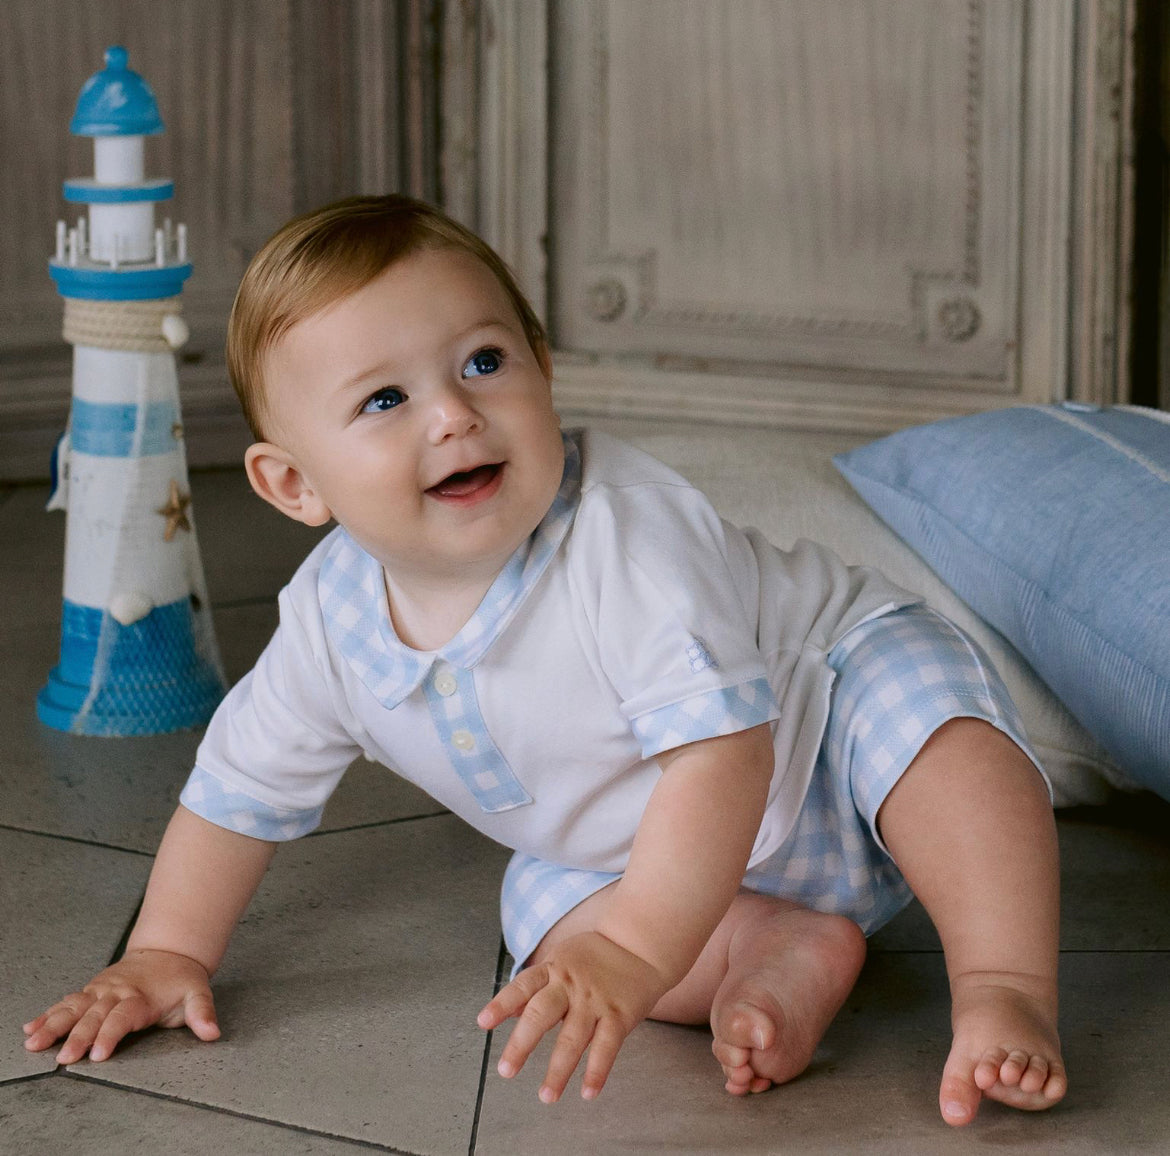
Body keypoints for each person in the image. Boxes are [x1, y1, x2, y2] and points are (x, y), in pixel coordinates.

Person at [23, 195, 1066, 1127]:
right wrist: (167, 950)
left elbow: (726, 756)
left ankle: (1002, 981)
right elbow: (234, 794)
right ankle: (777, 948)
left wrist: (639, 948)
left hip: (822, 740)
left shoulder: (625, 538)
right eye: (385, 400)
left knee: (939, 732)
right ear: (296, 483)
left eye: (484, 361)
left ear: (543, 369)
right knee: (544, 919)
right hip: (648, 849)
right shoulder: (329, 626)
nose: (453, 412)